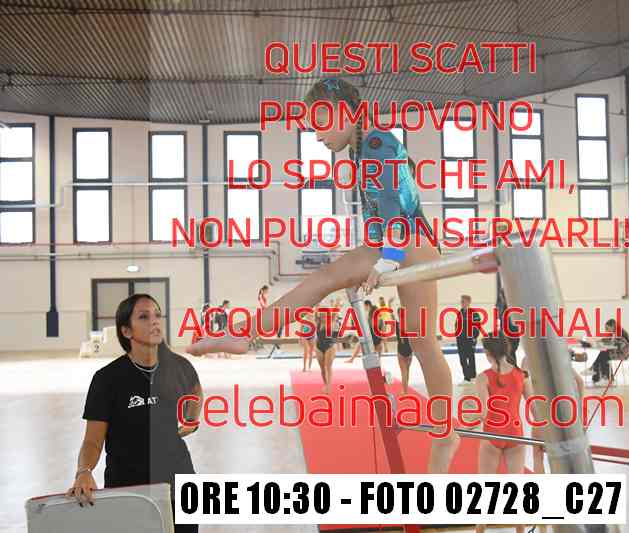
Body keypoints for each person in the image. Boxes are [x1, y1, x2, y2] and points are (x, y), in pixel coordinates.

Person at [188, 77, 460, 473]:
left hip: (408, 242)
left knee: (422, 341)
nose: (317, 136)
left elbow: (393, 202)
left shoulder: (377, 144)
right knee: (330, 284)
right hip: (392, 242)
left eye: (320, 124)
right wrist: (381, 252)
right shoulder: (363, 148)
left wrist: (388, 257)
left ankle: (445, 432)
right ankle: (245, 335)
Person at [66, 294, 202, 533]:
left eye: (157, 315)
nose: (155, 321)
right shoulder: (107, 379)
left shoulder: (179, 366)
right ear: (126, 331)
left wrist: (191, 419)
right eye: (144, 316)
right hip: (128, 488)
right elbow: (92, 441)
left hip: (178, 482)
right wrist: (84, 472)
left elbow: (196, 391)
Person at [474, 335, 534, 533]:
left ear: (488, 353)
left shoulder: (483, 377)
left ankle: (481, 527)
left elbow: (483, 413)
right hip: (515, 435)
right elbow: (535, 408)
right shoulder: (522, 375)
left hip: (493, 434)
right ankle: (520, 528)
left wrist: (469, 416)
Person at [592, 319, 629, 384]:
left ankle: (598, 375)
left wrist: (610, 343)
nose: (606, 330)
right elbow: (609, 340)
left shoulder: (622, 334)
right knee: (603, 354)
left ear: (613, 326)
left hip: (621, 354)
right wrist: (601, 340)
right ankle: (605, 376)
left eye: (607, 328)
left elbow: (620, 345)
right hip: (614, 352)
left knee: (603, 355)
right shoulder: (614, 333)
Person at [457, 294, 480, 385]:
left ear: (468, 302)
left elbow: (477, 327)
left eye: (463, 301)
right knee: (462, 359)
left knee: (470, 358)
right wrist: (457, 336)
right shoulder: (460, 313)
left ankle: (472, 376)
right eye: (461, 301)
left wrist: (474, 337)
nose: (461, 303)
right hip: (461, 340)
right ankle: (466, 377)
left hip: (470, 339)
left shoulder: (474, 314)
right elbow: (457, 326)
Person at [315, 309, 337, 394]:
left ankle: (329, 386)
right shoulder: (318, 322)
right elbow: (315, 312)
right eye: (322, 314)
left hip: (330, 346)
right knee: (322, 369)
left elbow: (335, 312)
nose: (323, 316)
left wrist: (337, 304)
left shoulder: (331, 321)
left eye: (325, 314)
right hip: (319, 346)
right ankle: (325, 384)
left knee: (328, 367)